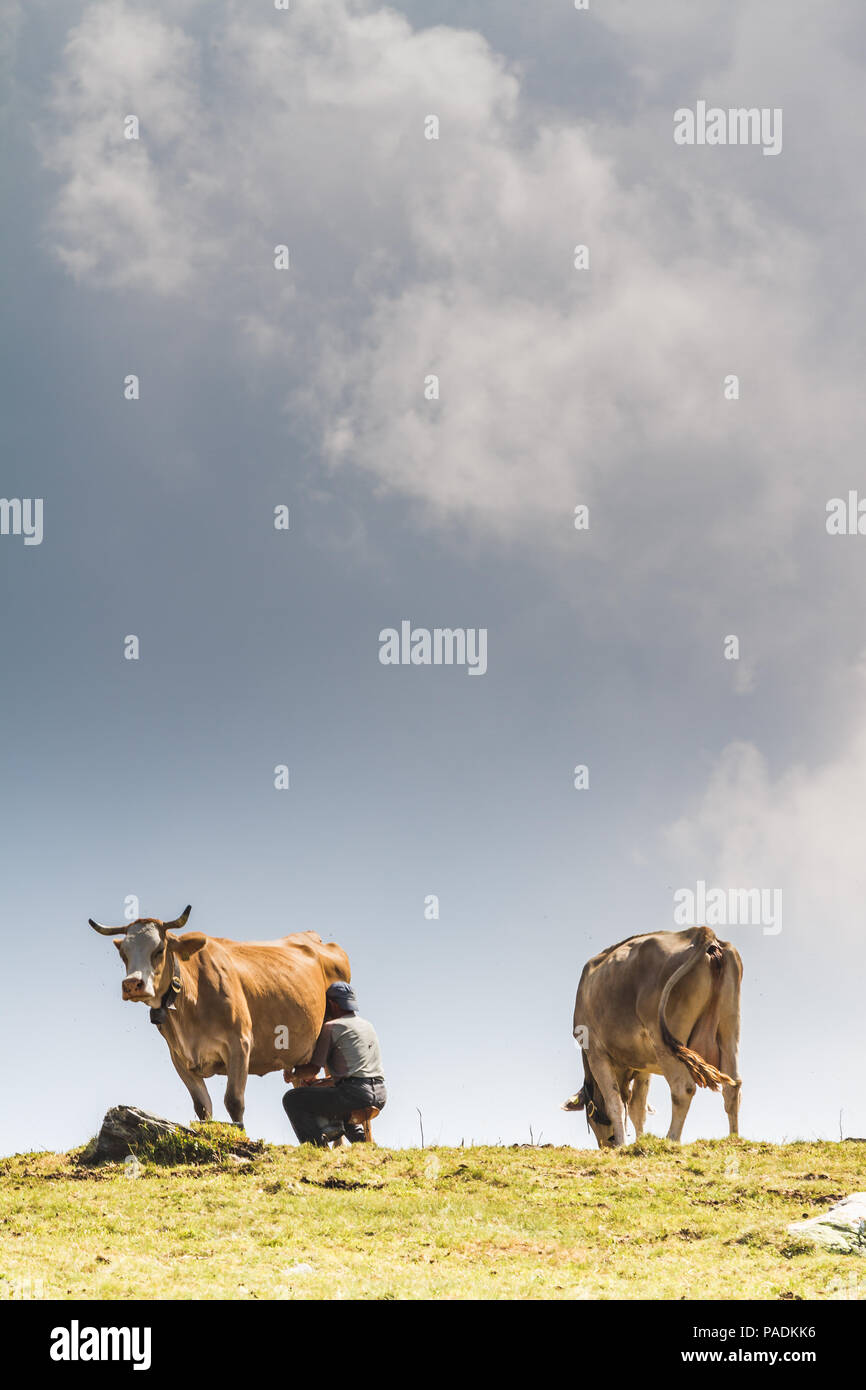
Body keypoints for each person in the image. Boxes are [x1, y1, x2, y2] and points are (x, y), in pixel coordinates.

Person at [282, 981, 386, 1146]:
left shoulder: (331, 1027)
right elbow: (355, 1073)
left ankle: (316, 1147)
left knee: (292, 1099)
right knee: (340, 1106)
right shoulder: (368, 1026)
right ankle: (364, 1145)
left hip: (355, 1093)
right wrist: (320, 1084)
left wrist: (294, 1074)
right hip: (379, 1094)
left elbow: (313, 1068)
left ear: (331, 1004)